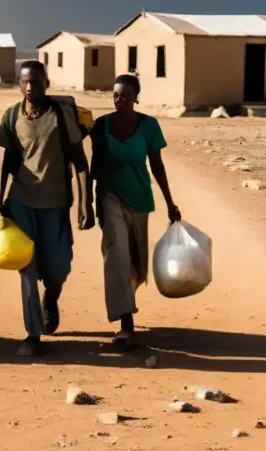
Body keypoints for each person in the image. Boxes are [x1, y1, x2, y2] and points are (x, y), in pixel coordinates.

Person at [0, 61, 92, 358]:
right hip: (22, 202)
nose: (29, 87)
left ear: (46, 83)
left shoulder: (61, 114)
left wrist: (85, 202)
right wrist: (0, 200)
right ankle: (32, 333)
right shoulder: (11, 115)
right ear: (19, 83)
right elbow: (10, 161)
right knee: (27, 268)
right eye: (24, 82)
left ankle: (50, 298)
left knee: (58, 269)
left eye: (35, 82)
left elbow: (79, 162)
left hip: (56, 204)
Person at [89, 73, 181, 350]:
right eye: (116, 95)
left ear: (136, 97)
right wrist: (91, 203)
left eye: (125, 96)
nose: (120, 100)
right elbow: (93, 165)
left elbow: (157, 165)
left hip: (140, 198)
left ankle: (127, 296)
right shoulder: (101, 126)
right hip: (110, 197)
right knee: (116, 256)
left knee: (138, 265)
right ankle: (125, 323)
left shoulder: (149, 126)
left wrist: (170, 202)